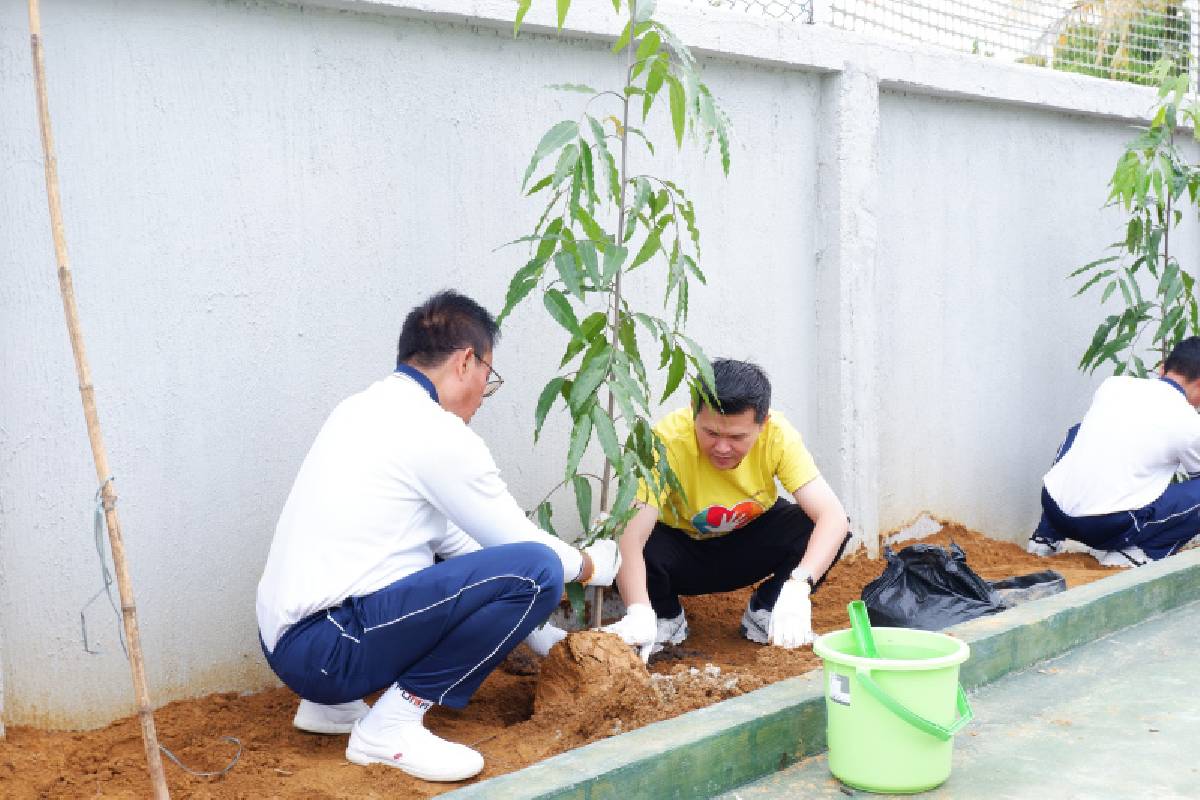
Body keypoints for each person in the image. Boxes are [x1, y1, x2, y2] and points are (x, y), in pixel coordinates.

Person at [255, 291, 619, 782]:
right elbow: (517, 550)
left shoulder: (362, 409)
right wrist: (595, 566)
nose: (482, 397)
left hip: (289, 646)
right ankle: (390, 727)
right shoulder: (436, 433)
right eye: (488, 380)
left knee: (507, 569)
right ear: (467, 361)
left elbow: (462, 548)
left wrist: (536, 634)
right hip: (329, 648)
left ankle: (331, 708)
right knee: (538, 571)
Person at [602, 359, 851, 660]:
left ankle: (768, 611)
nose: (722, 448)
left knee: (816, 528)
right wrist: (638, 610)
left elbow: (833, 517)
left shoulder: (778, 437)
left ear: (763, 423)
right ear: (694, 409)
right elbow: (630, 536)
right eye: (710, 433)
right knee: (624, 531)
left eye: (737, 437)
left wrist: (799, 585)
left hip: (746, 547)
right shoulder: (665, 441)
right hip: (680, 554)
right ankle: (663, 616)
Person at [1028, 336, 1200, 567]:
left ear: (1162, 369)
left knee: (1078, 431)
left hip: (1054, 509)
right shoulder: (1189, 422)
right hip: (1106, 527)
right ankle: (1133, 555)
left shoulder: (1114, 385)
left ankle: (1045, 538)